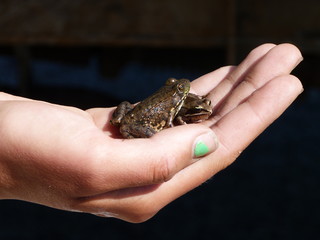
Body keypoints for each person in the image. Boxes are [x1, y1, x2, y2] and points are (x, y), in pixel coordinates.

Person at [0, 43, 303, 222]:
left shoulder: (173, 97)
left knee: (127, 113)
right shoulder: (172, 107)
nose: (182, 89)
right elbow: (169, 121)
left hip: (128, 114)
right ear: (177, 96)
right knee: (151, 130)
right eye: (179, 90)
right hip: (138, 123)